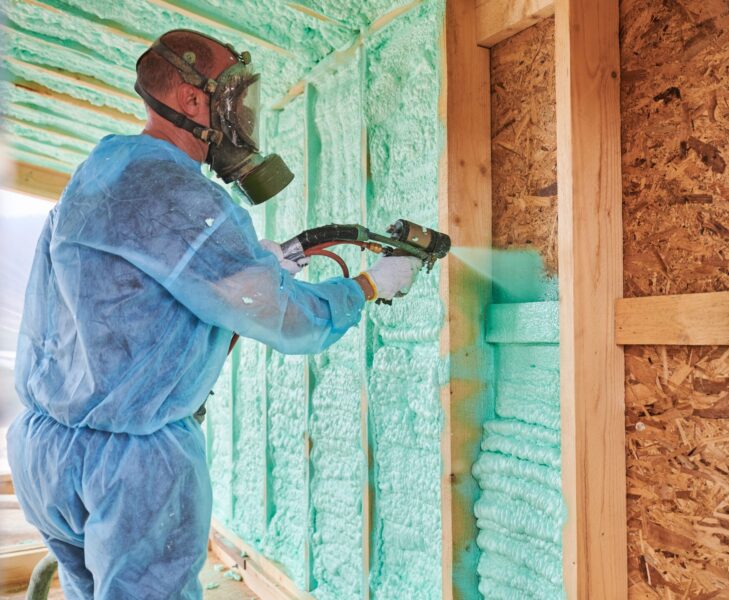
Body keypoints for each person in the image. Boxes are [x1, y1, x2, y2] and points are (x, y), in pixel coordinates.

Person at [7, 29, 421, 599]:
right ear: (192, 100)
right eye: (233, 97)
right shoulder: (179, 191)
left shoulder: (99, 173)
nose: (242, 115)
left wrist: (259, 263)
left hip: (44, 452)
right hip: (128, 471)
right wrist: (369, 286)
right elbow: (288, 321)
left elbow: (139, 289)